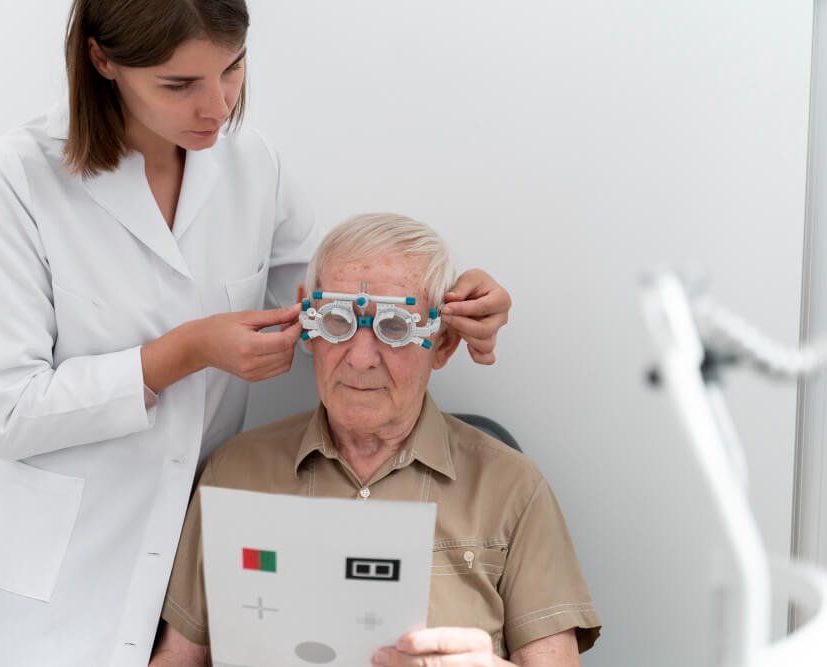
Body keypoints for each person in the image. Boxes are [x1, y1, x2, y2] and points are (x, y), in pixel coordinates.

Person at [0, 2, 512, 666]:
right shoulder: (18, 177)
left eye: (232, 69)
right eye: (179, 85)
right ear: (103, 61)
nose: (217, 106)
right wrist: (186, 351)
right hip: (47, 581)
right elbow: (8, 410)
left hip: (187, 564)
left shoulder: (250, 164)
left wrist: (452, 297)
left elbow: (330, 305)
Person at [151, 214, 600, 667]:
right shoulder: (234, 474)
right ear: (309, 324)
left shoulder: (511, 489)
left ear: (442, 344)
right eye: (337, 320)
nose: (361, 359)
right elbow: (178, 657)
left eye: (395, 327)